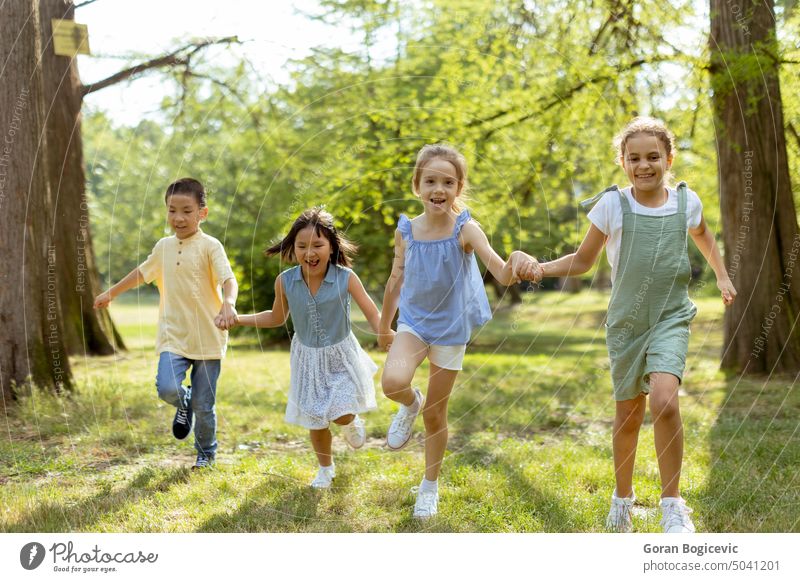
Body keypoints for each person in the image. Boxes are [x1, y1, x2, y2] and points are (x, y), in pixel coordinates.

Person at [513, 117, 737, 533]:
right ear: (622, 162)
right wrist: (538, 269)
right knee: (628, 415)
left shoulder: (686, 202)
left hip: (671, 316)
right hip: (627, 324)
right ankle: (622, 500)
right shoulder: (612, 205)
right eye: (634, 158)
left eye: (653, 157)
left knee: (666, 401)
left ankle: (672, 504)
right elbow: (582, 262)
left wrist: (722, 275)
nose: (644, 165)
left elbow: (704, 235)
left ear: (669, 159)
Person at [378, 143, 533, 518]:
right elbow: (396, 278)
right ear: (417, 185)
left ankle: (429, 486)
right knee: (392, 382)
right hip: (414, 323)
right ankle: (408, 404)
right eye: (430, 180)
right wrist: (385, 325)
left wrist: (517, 260)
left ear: (458, 187)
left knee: (436, 412)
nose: (439, 189)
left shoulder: (466, 228)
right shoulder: (407, 231)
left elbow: (501, 271)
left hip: (451, 328)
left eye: (448, 182)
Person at [234, 208, 385, 489]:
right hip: (307, 359)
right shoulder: (286, 282)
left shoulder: (345, 278)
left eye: (317, 245)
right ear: (292, 249)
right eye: (302, 246)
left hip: (340, 355)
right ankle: (325, 469)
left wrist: (385, 333)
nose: (309, 252)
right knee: (316, 420)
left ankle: (350, 422)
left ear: (331, 247)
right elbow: (276, 317)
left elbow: (372, 313)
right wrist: (238, 319)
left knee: (339, 411)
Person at [94, 177, 238, 469]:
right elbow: (141, 273)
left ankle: (206, 453)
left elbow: (228, 279)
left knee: (204, 405)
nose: (179, 217)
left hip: (209, 336)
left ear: (202, 213)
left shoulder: (211, 246)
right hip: (173, 334)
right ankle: (182, 402)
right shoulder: (163, 247)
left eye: (186, 210)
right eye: (172, 210)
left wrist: (228, 304)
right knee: (167, 388)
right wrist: (111, 292)